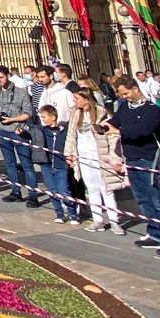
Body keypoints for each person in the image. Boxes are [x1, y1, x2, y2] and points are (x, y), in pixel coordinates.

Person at [110, 75, 160, 257]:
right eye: (121, 94)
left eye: (126, 93)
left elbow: (143, 130)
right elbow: (116, 120)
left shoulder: (152, 109)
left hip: (151, 160)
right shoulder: (124, 106)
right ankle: (155, 233)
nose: (124, 97)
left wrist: (120, 131)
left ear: (135, 88)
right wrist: (106, 125)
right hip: (132, 159)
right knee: (143, 200)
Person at [65, 88, 126, 235]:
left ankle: (114, 221)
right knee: (91, 188)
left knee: (106, 188)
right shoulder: (75, 113)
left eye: (77, 99)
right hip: (83, 155)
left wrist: (114, 157)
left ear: (87, 99)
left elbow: (112, 135)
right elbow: (71, 134)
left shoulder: (101, 112)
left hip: (99, 154)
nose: (75, 102)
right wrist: (70, 153)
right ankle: (98, 220)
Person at [0, 65, 40, 207]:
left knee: (27, 164)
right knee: (9, 163)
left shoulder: (21, 92)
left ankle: (33, 195)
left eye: (2, 77)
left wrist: (12, 119)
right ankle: (15, 191)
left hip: (18, 130)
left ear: (8, 76)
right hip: (1, 130)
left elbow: (28, 113)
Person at [32, 105, 80, 224]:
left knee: (63, 191)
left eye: (44, 117)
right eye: (41, 117)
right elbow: (31, 132)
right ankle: (59, 213)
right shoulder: (42, 130)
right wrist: (22, 132)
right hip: (47, 166)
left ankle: (73, 214)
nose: (42, 119)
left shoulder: (64, 132)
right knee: (52, 190)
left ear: (53, 117)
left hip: (61, 166)